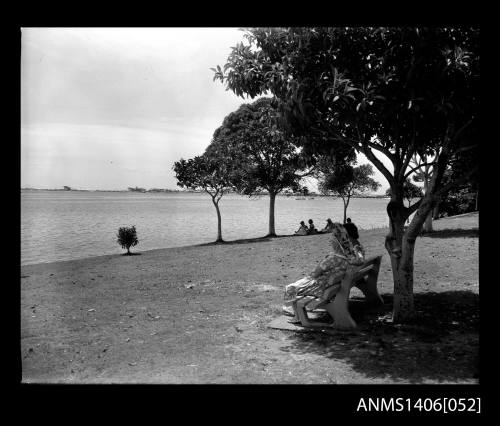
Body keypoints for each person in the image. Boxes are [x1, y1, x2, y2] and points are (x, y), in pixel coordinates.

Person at [283, 223, 365, 322]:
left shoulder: (334, 258)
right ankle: (294, 310)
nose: (330, 242)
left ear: (337, 243)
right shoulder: (350, 257)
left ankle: (297, 316)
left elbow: (314, 274)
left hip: (322, 288)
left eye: (332, 240)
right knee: (300, 283)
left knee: (291, 288)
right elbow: (360, 260)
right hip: (334, 285)